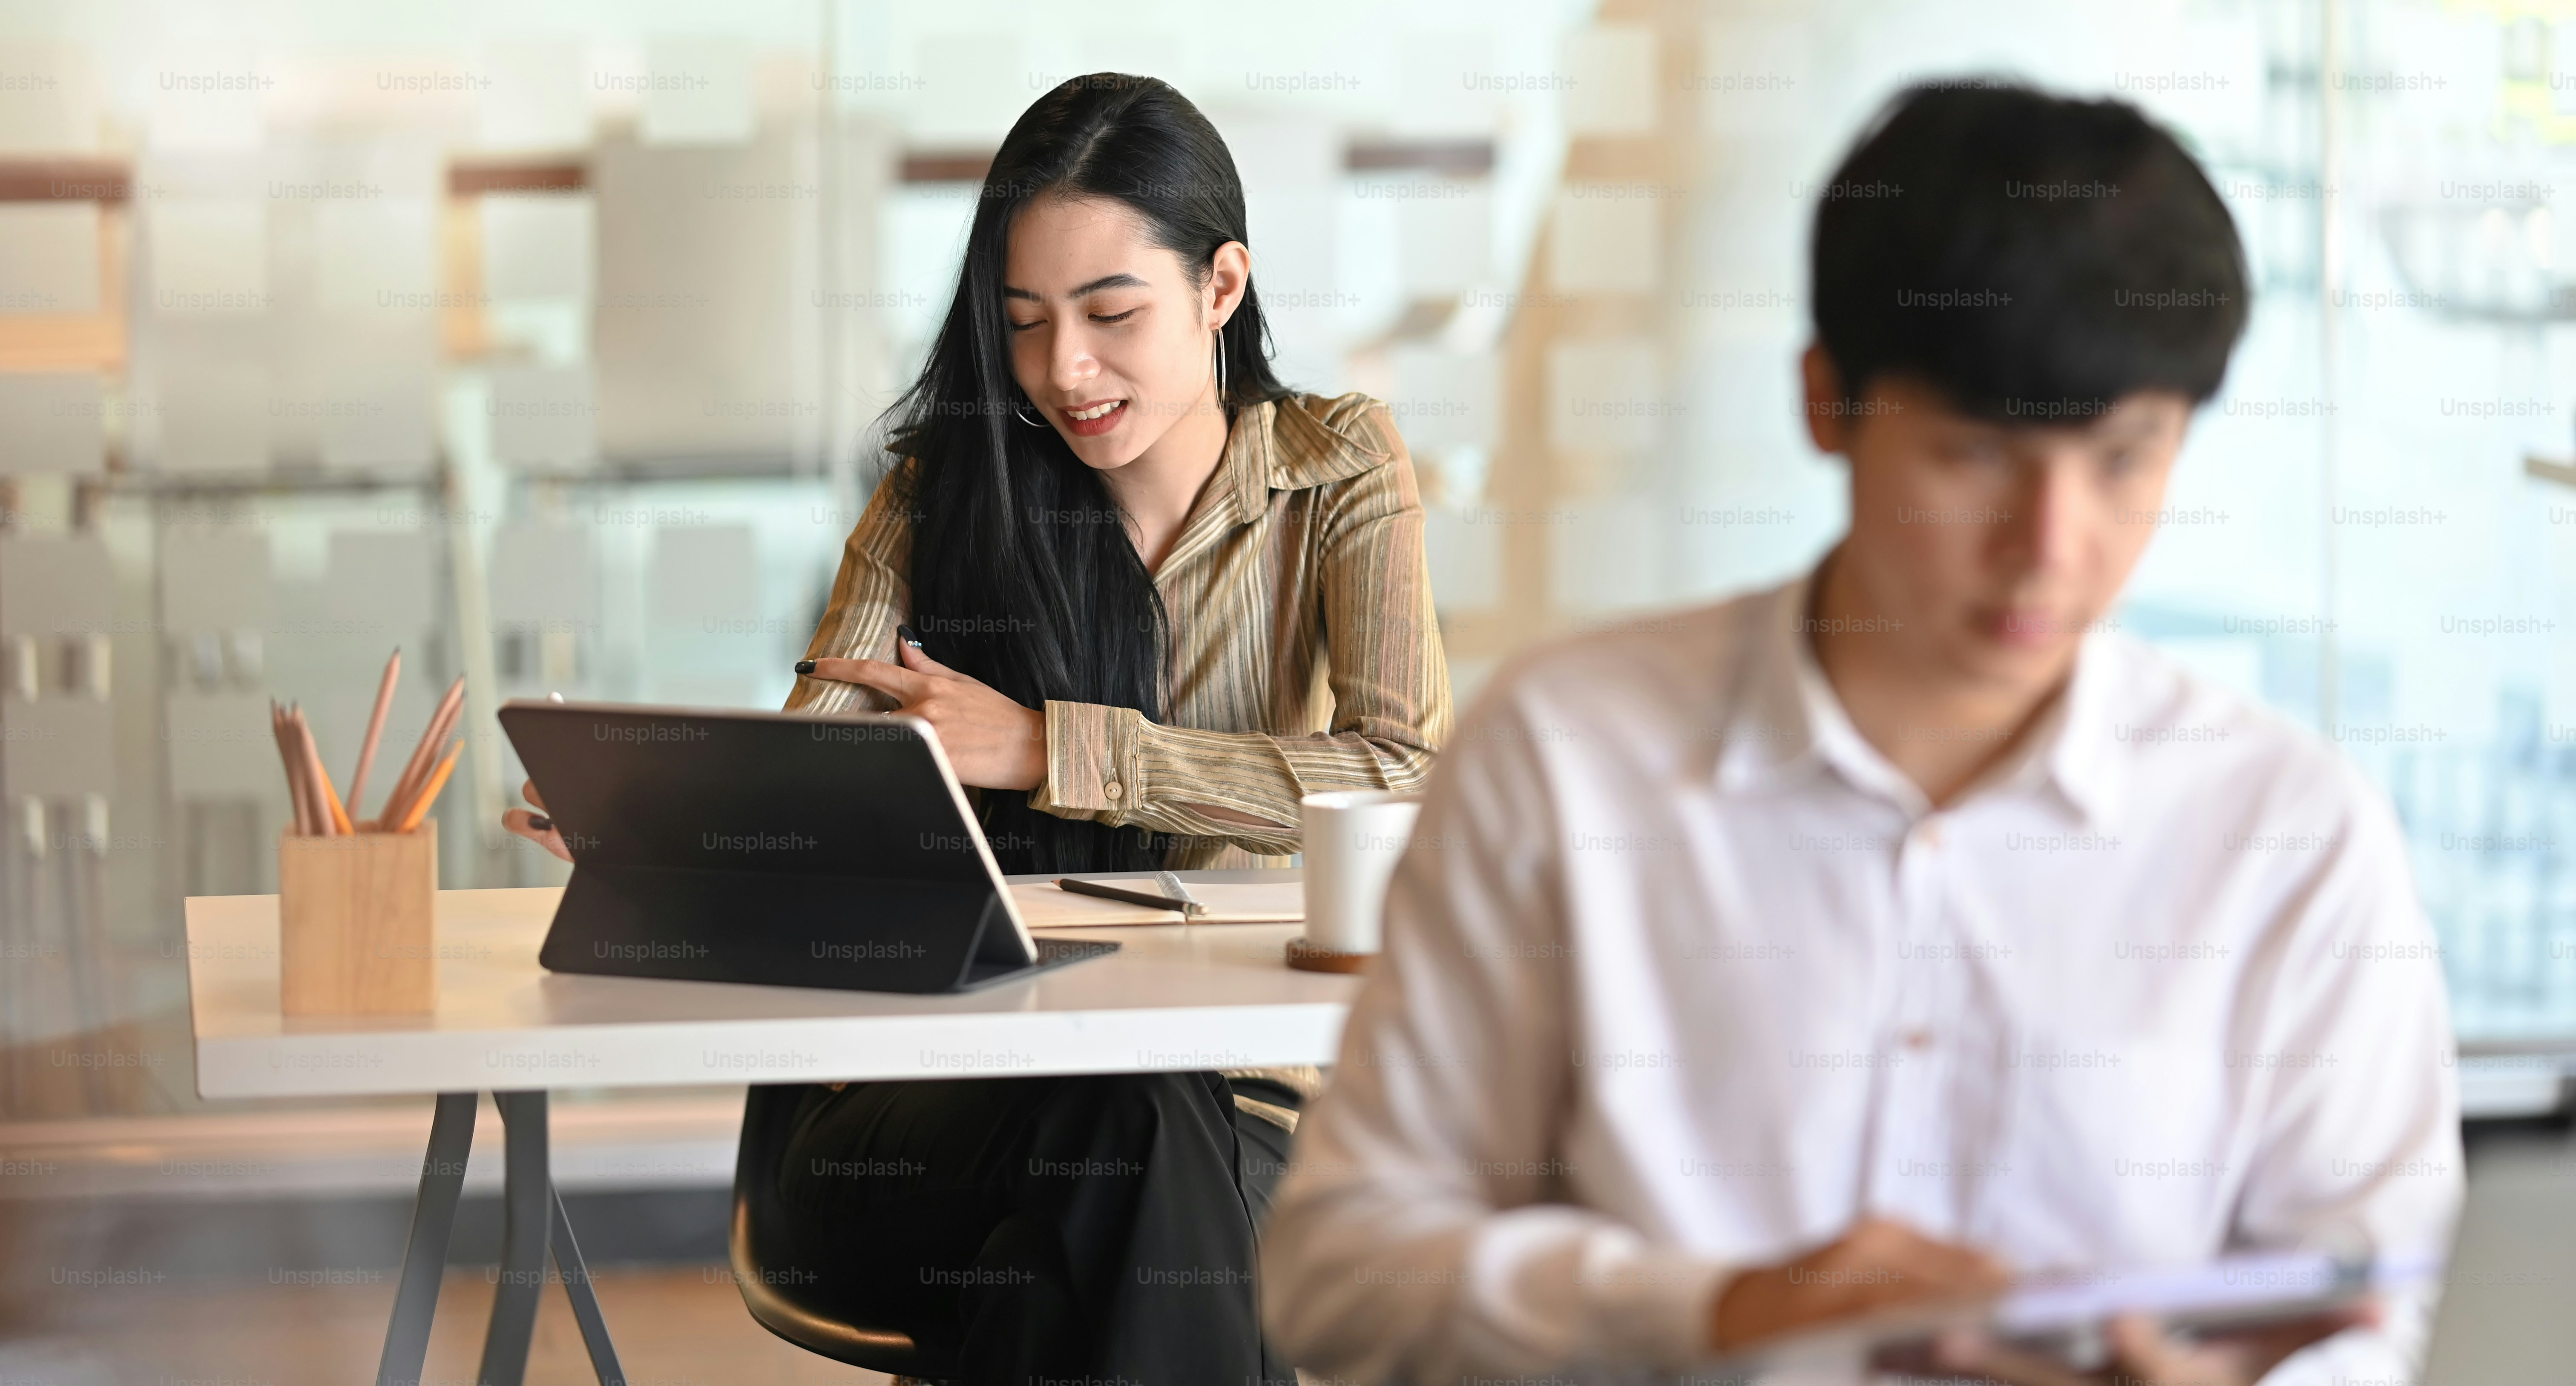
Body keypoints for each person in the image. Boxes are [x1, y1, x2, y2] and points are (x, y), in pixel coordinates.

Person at [1260, 80, 2461, 1386]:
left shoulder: (2289, 833)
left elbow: (2355, 1318)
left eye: (2124, 460)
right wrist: (1714, 1311)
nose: (2049, 551)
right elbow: (1343, 1274)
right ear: (1827, 402)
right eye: (1975, 456)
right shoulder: (1567, 757)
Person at [505, 74, 1450, 1384]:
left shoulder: (1336, 466)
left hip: (1234, 1120)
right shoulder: (945, 497)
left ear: (1222, 288)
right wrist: (680, 821)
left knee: (1085, 1220)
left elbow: (1402, 774)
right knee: (1125, 1145)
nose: (1066, 369)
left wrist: (1050, 748)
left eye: (1112, 313)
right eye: (1024, 322)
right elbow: (819, 755)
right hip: (914, 1121)